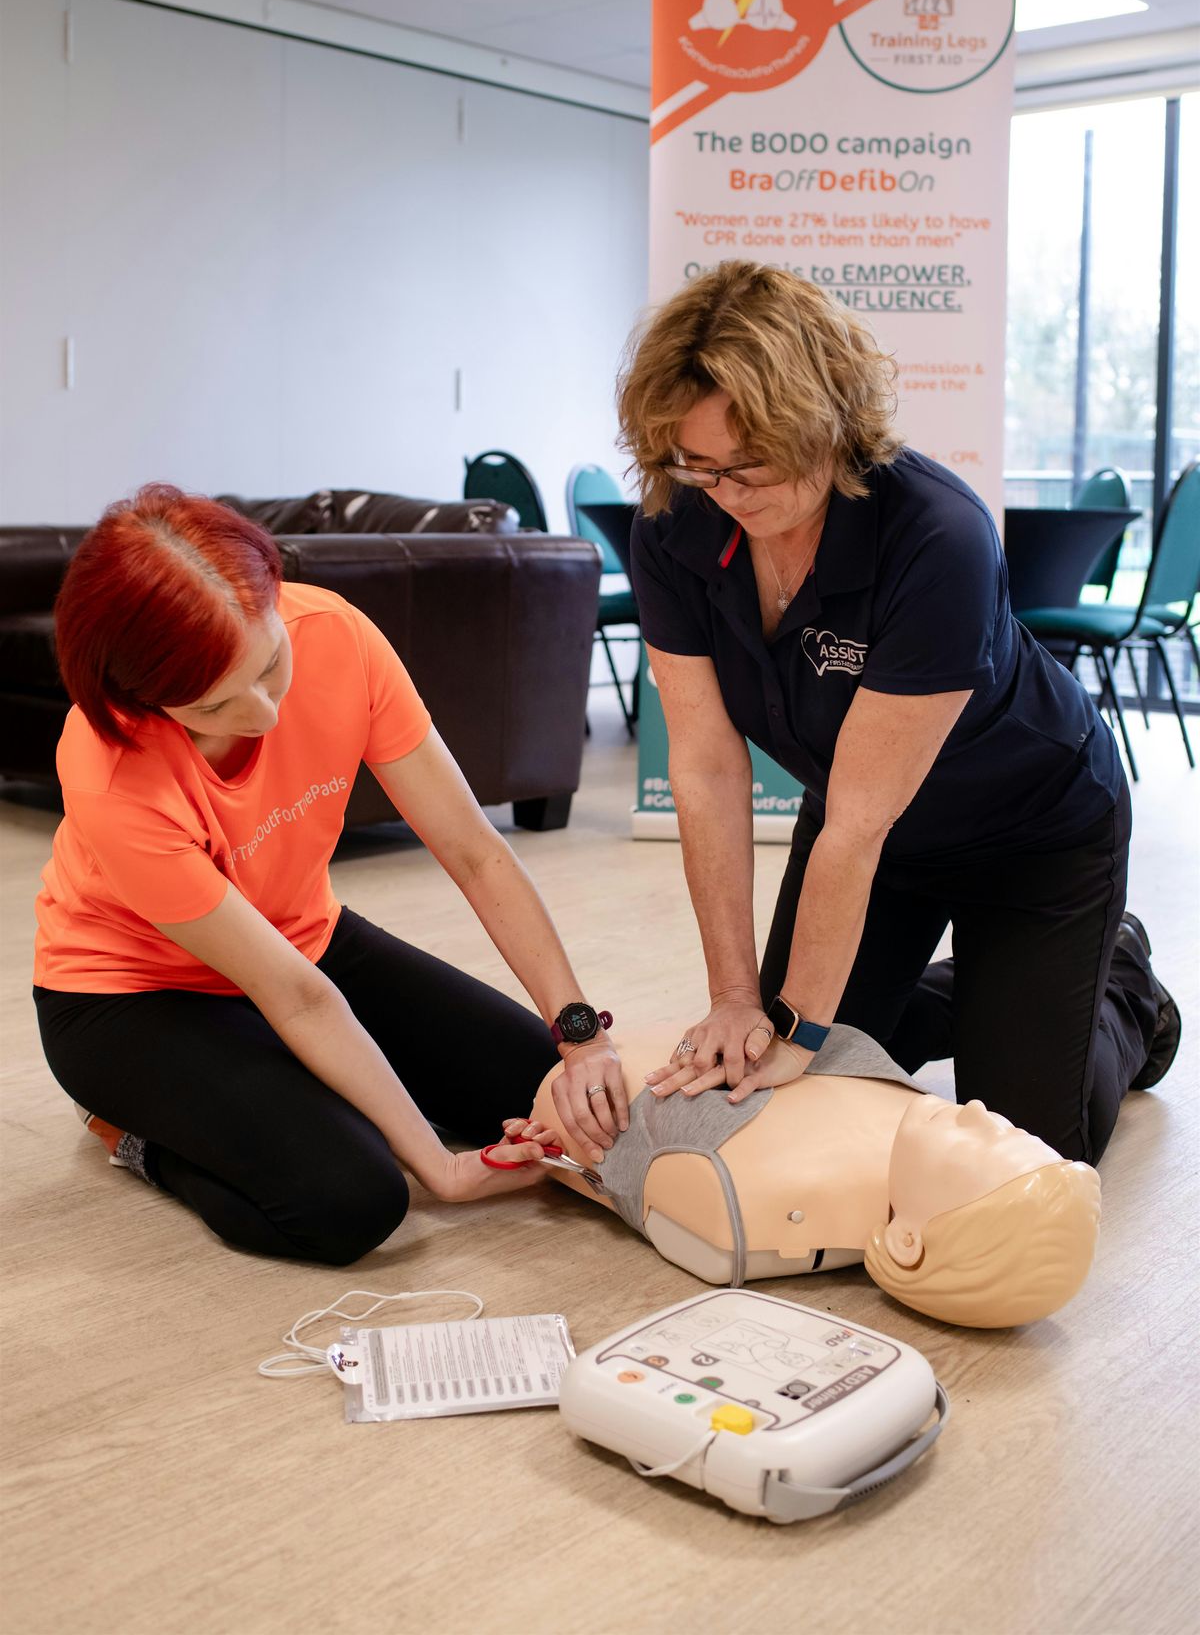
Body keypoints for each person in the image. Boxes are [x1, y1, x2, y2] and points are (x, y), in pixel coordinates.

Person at [590, 260, 1179, 1168]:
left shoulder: (938, 536)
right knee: (801, 1080)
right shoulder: (677, 523)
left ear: (825, 425)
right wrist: (740, 999)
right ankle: (982, 993)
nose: (727, 497)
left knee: (1020, 1148)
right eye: (699, 468)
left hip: (1033, 837)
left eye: (750, 466)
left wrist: (799, 1029)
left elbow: (859, 824)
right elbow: (706, 768)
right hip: (872, 841)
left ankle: (1125, 988)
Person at [33, 484, 628, 1266]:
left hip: (303, 938)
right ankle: (137, 1134)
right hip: (133, 997)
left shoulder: (337, 635)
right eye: (217, 704)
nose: (267, 714)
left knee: (537, 1085)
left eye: (271, 663)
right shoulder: (111, 770)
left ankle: (281, 1094)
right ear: (147, 701)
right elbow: (297, 998)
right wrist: (441, 1169)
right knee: (351, 1198)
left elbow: (476, 852)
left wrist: (579, 1034)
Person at [523, 1026, 1103, 1329]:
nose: (977, 1111)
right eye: (1004, 1128)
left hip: (1050, 836)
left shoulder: (755, 1192)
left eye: (983, 1143)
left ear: (907, 1241)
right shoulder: (906, 1121)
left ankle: (1128, 987)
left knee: (1069, 1117)